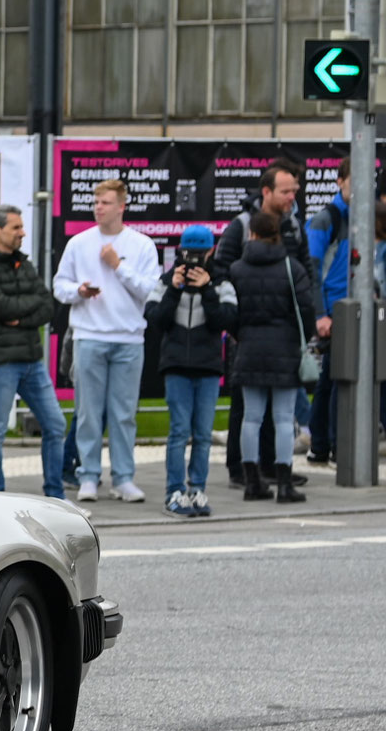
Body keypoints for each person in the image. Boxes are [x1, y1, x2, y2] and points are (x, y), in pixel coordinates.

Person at [53, 179, 160, 503]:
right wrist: (79, 291)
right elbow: (59, 286)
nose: (98, 207)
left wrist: (118, 266)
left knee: (124, 413)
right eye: (96, 202)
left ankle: (123, 478)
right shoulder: (79, 243)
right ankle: (88, 475)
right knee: (87, 412)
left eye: (106, 202)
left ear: (121, 207)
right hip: (89, 335)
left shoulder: (141, 245)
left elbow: (149, 290)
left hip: (128, 338)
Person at [214, 159, 317, 488]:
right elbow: (221, 273)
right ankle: (240, 470)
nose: (292, 197)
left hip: (265, 335)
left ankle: (269, 468)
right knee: (247, 408)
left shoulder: (294, 225)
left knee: (263, 411)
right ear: (266, 192)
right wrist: (235, 324)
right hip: (254, 334)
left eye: (294, 191)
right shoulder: (241, 225)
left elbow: (307, 272)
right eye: (286, 191)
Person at [0, 204, 68, 504]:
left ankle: (55, 495)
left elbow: (47, 305)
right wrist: (25, 309)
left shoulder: (23, 263)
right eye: (16, 227)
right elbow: (0, 307)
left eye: (22, 227)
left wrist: (19, 318)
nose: (22, 232)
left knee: (56, 425)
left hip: (31, 360)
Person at [146, 225, 235, 518]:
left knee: (203, 434)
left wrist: (207, 288)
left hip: (208, 367)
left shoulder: (221, 282)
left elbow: (225, 320)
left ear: (211, 251)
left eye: (199, 253)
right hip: (176, 366)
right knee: (179, 431)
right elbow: (155, 319)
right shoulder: (166, 280)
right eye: (188, 253)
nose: (193, 259)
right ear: (180, 251)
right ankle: (174, 491)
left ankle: (197, 489)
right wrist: (175, 288)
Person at [304, 159, 353, 465]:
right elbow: (312, 270)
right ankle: (336, 446)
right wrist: (320, 314)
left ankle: (320, 445)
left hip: (355, 308)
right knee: (339, 379)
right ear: (340, 181)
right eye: (354, 180)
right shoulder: (326, 219)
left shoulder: (365, 217)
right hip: (334, 312)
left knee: (329, 379)